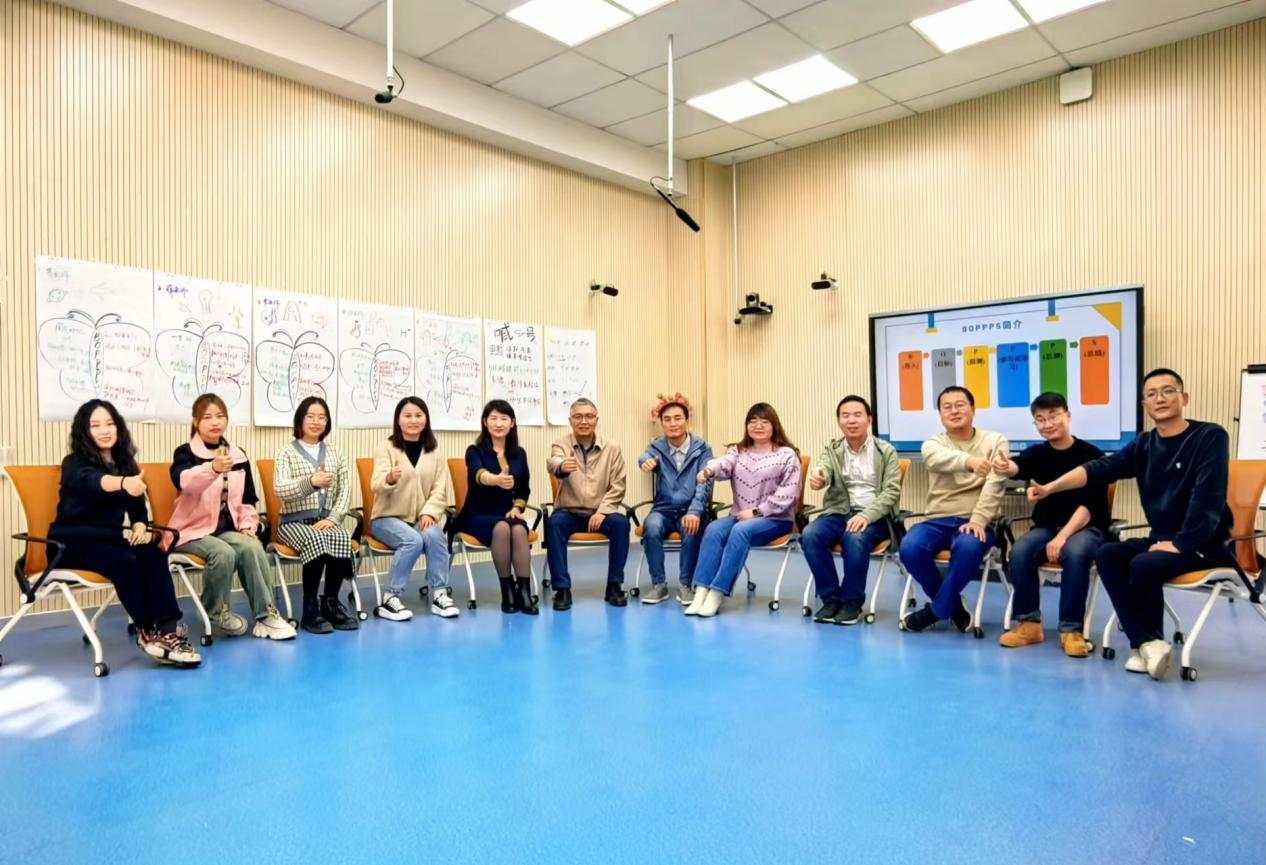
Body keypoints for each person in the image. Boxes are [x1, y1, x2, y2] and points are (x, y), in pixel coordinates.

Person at [1028, 369, 1232, 680]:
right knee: (1108, 554)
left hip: (1206, 542)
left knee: (1144, 563)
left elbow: (1209, 498)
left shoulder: (1210, 436)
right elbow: (1099, 468)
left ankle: (1145, 643)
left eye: (1168, 391)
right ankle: (1149, 644)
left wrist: (1182, 543)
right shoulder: (1144, 444)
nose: (1159, 398)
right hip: (1162, 539)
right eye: (1151, 394)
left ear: (1184, 398)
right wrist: (1050, 488)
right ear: (1144, 405)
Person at [49, 400, 201, 667]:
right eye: (95, 425)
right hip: (69, 543)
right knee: (125, 562)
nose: (104, 430)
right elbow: (94, 481)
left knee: (153, 555)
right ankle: (148, 632)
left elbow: (137, 510)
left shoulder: (125, 463)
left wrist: (140, 527)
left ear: (118, 427)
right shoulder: (73, 463)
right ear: (84, 431)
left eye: (109, 423)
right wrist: (123, 483)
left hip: (109, 540)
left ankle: (168, 631)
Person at [168, 393, 296, 641]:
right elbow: (183, 482)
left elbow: (248, 499)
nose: (215, 422)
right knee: (223, 553)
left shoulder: (238, 454)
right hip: (190, 531)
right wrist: (212, 468)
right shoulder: (185, 453)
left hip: (227, 529)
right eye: (207, 417)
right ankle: (215, 611)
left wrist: (248, 525)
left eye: (220, 416)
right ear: (196, 422)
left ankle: (266, 616)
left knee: (251, 546)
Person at [991, 392, 1109, 657]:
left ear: (1068, 416)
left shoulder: (1093, 455)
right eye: (1040, 419)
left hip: (1085, 528)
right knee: (1021, 550)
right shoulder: (1038, 454)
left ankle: (1071, 629)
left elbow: (1089, 508)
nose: (1047, 424)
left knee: (1075, 552)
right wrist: (1005, 467)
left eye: (1053, 416)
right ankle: (1029, 624)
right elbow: (1017, 466)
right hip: (1047, 527)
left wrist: (1062, 537)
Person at [898, 386, 1008, 633]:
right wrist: (971, 462)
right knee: (910, 547)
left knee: (968, 547)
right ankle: (953, 606)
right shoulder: (933, 443)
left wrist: (978, 520)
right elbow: (938, 458)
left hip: (976, 521)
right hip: (937, 519)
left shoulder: (995, 441)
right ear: (940, 414)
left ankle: (935, 611)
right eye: (947, 407)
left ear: (973, 409)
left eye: (960, 405)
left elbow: (995, 484)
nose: (954, 411)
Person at [686, 403, 802, 619]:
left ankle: (717, 593)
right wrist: (709, 469)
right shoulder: (738, 451)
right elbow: (724, 463)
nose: (758, 426)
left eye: (764, 421)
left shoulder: (786, 455)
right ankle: (701, 591)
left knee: (741, 531)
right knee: (713, 529)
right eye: (753, 421)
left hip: (776, 519)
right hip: (740, 516)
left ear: (774, 425)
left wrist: (757, 512)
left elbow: (788, 494)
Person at [801, 395, 902, 626]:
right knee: (810, 534)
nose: (851, 420)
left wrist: (866, 515)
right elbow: (823, 469)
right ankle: (831, 599)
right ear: (839, 421)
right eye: (845, 416)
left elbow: (891, 492)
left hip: (874, 515)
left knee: (854, 537)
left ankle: (852, 602)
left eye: (857, 415)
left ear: (869, 420)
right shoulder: (833, 449)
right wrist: (819, 478)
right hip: (838, 512)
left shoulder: (886, 451)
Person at [272, 396, 359, 635]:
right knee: (315, 538)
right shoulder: (286, 452)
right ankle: (309, 609)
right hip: (292, 523)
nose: (316, 422)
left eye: (322, 417)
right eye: (310, 416)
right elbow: (280, 489)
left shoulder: (335, 452)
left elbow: (345, 489)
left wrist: (333, 518)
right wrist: (311, 482)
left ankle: (330, 603)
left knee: (342, 536)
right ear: (300, 420)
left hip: (325, 522)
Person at [370, 396, 459, 621]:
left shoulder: (434, 450)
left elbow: (440, 489)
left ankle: (439, 595)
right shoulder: (387, 447)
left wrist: (429, 512)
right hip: (386, 518)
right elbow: (375, 483)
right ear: (398, 420)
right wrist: (389, 479)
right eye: (407, 416)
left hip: (420, 517)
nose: (413, 420)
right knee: (413, 540)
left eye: (418, 415)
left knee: (435, 535)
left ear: (426, 419)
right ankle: (390, 598)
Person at [545, 398, 630, 611]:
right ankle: (562, 589)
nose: (584, 421)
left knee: (621, 524)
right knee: (554, 524)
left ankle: (614, 586)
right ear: (570, 421)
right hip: (569, 511)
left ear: (596, 420)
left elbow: (618, 485)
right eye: (578, 417)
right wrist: (562, 466)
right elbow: (553, 462)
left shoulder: (612, 447)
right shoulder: (561, 444)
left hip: (600, 512)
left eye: (589, 416)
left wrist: (603, 511)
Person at [457, 399, 537, 615]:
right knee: (502, 528)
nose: (499, 423)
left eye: (504, 418)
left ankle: (524, 593)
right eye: (493, 418)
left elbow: (523, 489)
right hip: (477, 513)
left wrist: (517, 508)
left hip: (505, 512)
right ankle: (507, 591)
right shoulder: (475, 451)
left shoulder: (519, 454)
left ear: (512, 423)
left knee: (518, 528)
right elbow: (477, 474)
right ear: (485, 422)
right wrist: (495, 479)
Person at [636, 394, 713, 605]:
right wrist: (644, 462)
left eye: (678, 418)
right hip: (663, 509)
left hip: (690, 508)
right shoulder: (657, 447)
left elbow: (704, 483)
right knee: (651, 526)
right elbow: (644, 456)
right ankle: (658, 585)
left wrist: (695, 511)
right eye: (667, 419)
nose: (673, 423)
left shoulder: (703, 449)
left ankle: (686, 585)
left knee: (691, 527)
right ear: (661, 424)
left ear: (687, 421)